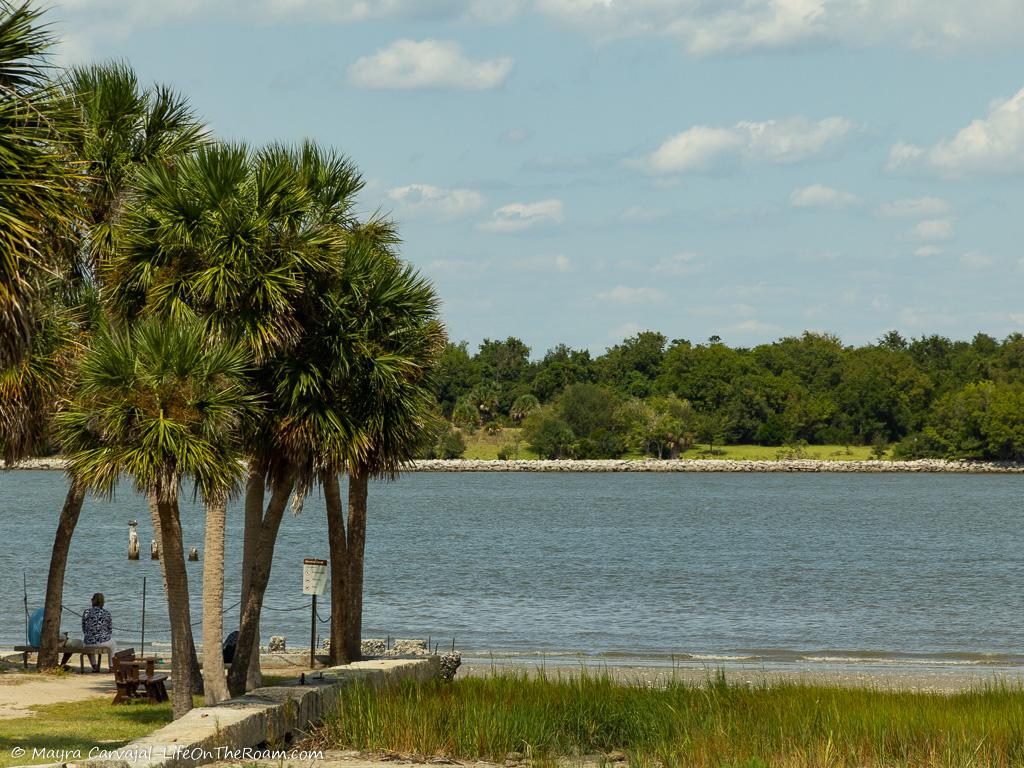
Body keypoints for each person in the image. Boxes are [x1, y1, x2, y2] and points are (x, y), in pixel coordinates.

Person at [81, 593, 116, 672]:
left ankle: (94, 665)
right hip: (103, 641)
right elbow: (109, 629)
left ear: (92, 601)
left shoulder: (86, 612)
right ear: (103, 602)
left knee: (88, 642)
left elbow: (84, 628)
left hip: (89, 642)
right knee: (113, 645)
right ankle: (111, 666)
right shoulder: (106, 613)